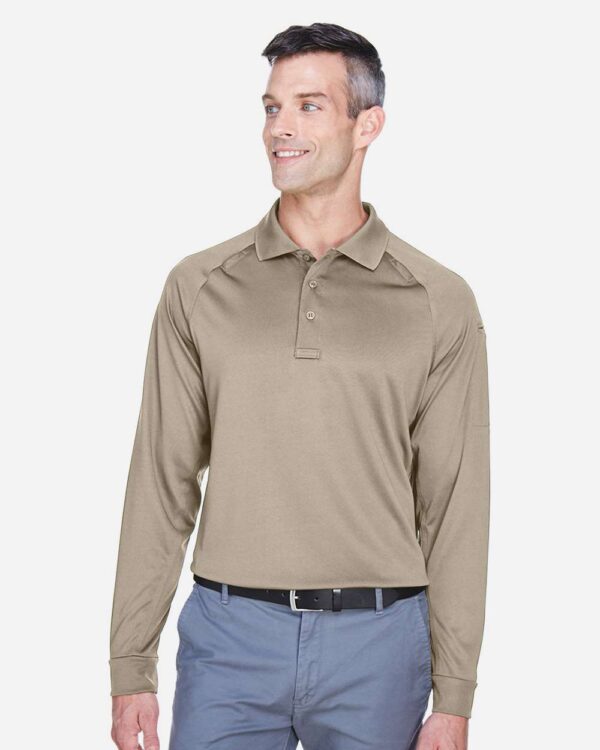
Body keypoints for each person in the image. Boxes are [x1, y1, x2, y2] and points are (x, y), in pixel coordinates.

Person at [109, 21, 490, 750]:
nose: (280, 128)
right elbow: (161, 482)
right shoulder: (199, 286)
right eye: (271, 107)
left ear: (367, 125)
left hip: (380, 645)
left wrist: (455, 694)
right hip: (229, 641)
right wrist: (131, 664)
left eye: (309, 106)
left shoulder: (437, 300)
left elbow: (455, 507)